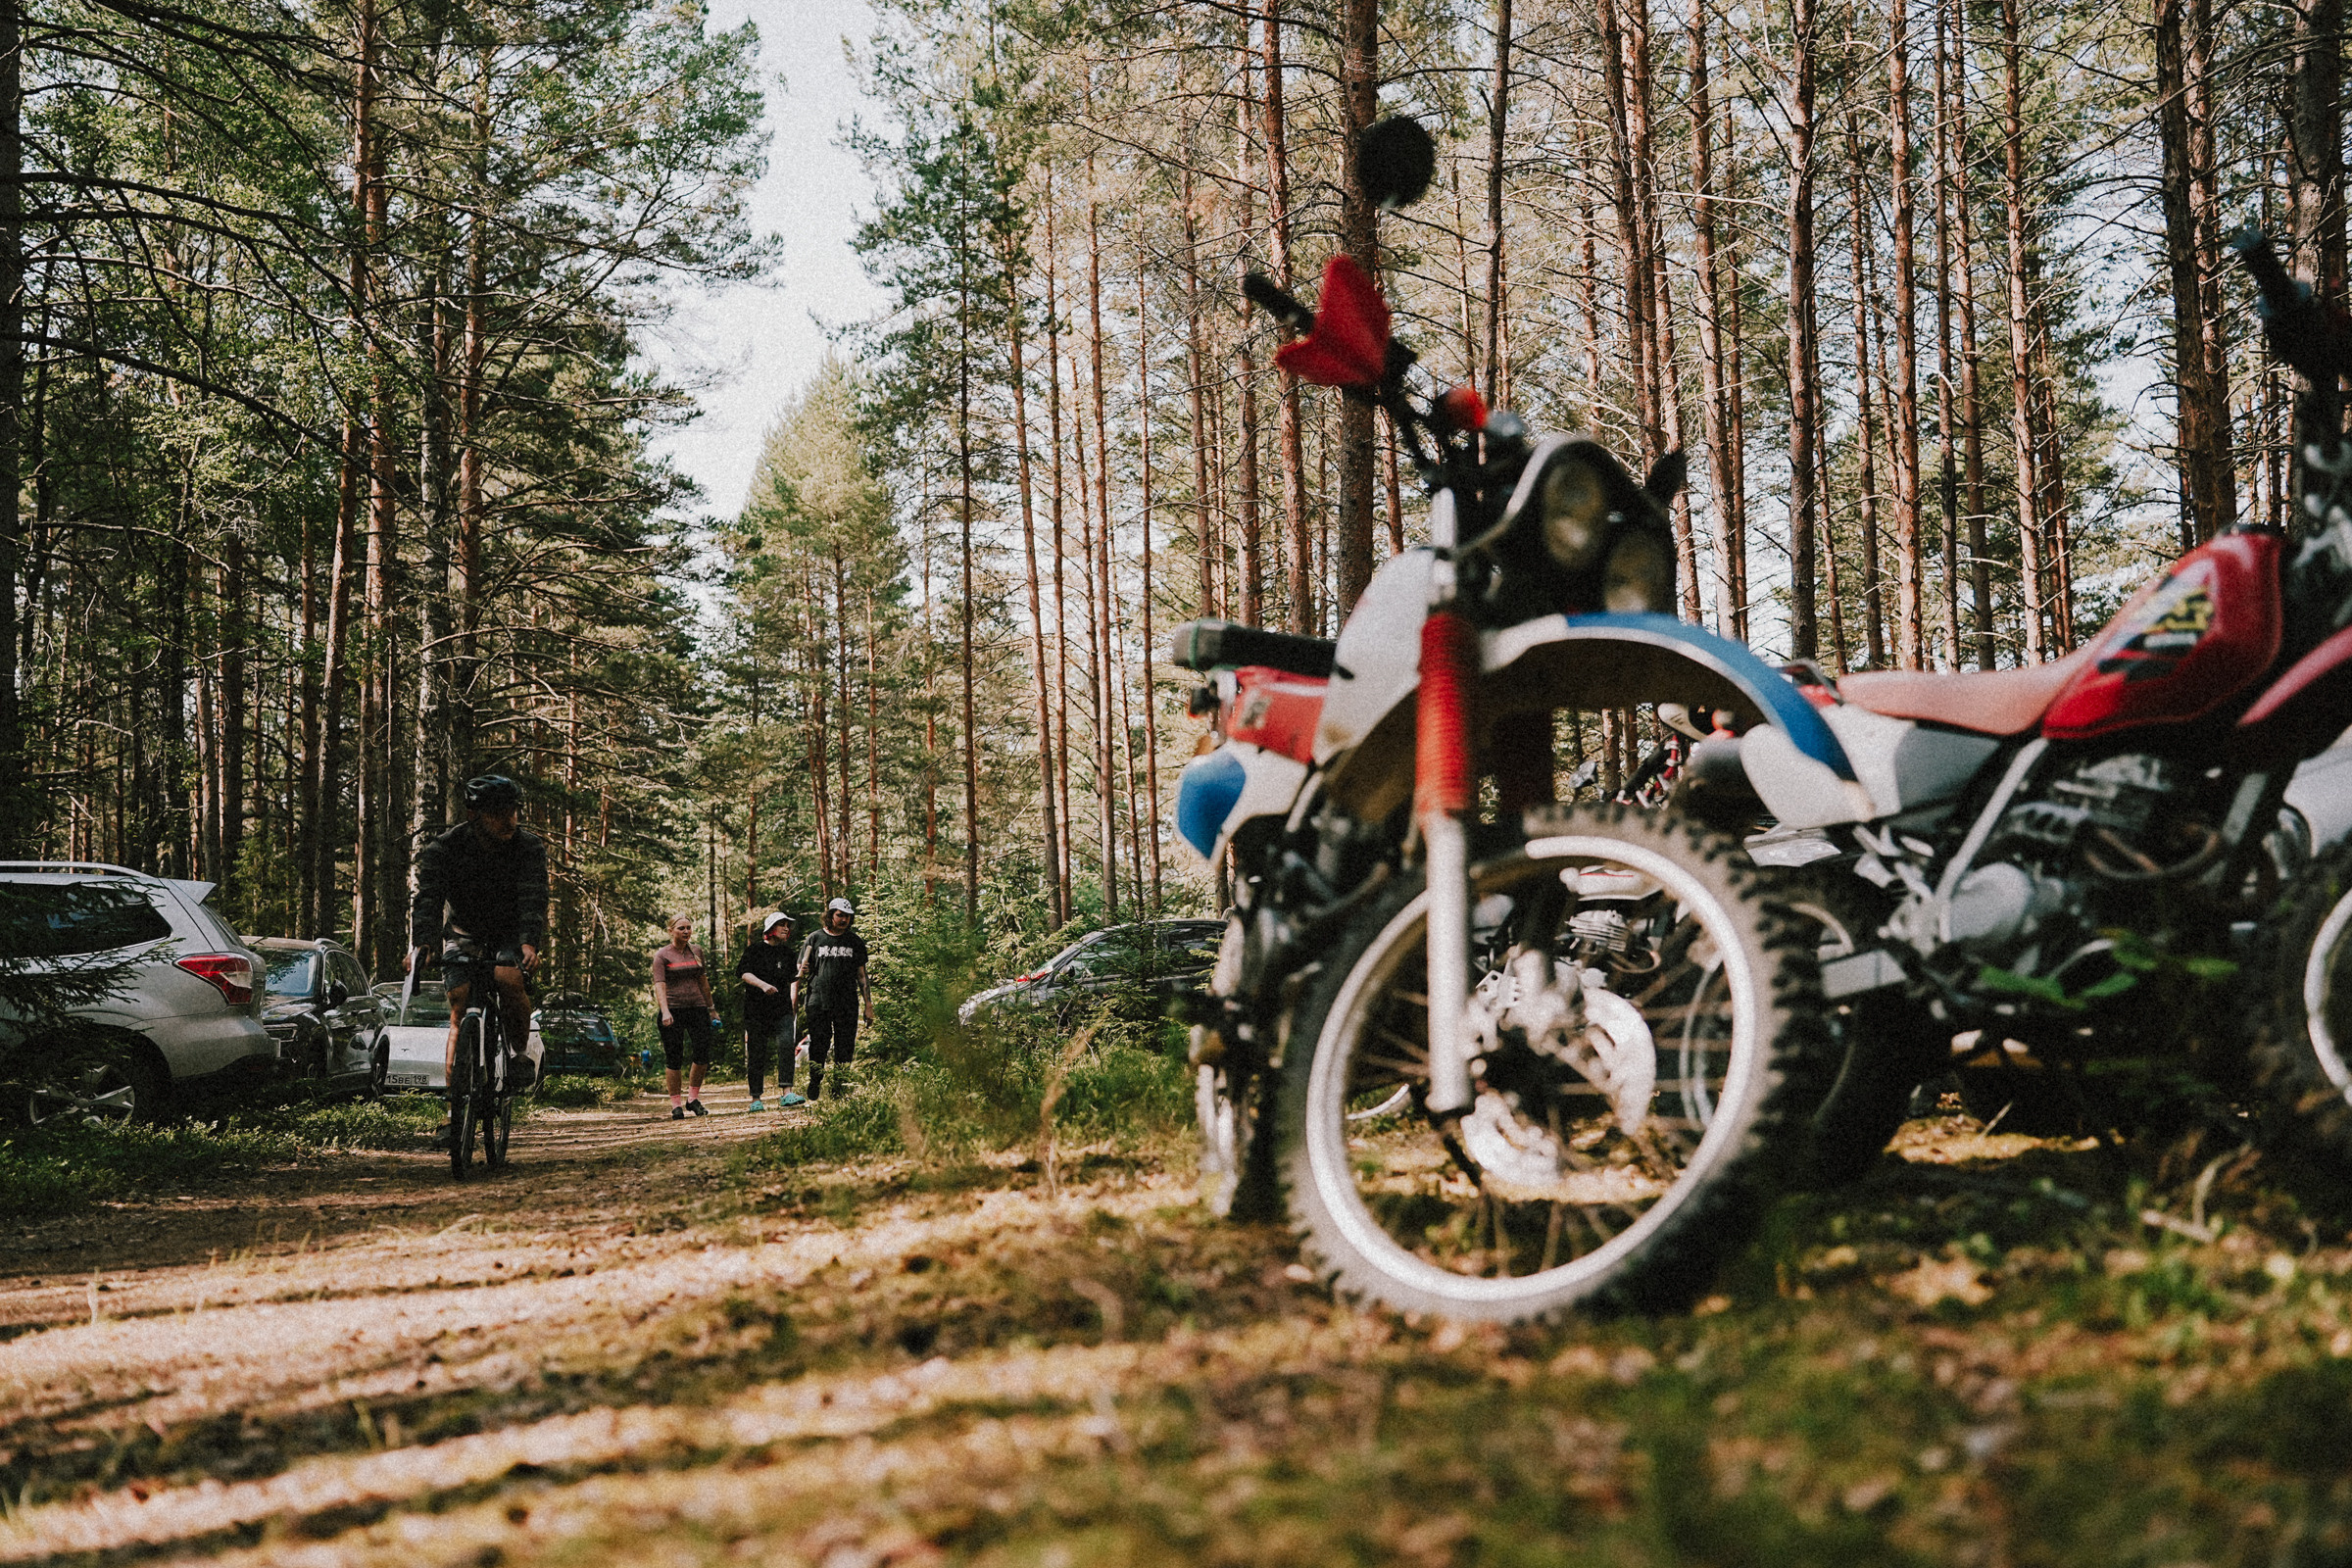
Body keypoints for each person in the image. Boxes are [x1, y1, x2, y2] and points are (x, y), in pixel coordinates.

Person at [410, 774, 547, 1147]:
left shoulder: (529, 848)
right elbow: (427, 901)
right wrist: (421, 946)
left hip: (510, 934)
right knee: (459, 1008)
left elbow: (534, 900)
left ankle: (518, 1055)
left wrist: (529, 944)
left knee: (507, 979)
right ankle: (455, 1113)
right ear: (474, 815)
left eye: (514, 811)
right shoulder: (444, 848)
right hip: (463, 933)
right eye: (498, 813)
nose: (509, 820)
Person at [796, 897, 871, 1101]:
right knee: (819, 1043)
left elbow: (862, 975)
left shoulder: (855, 942)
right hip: (818, 1001)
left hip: (847, 1003)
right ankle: (815, 1081)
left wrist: (868, 1005)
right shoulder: (814, 939)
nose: (844, 919)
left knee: (845, 1045)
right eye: (840, 915)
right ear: (830, 915)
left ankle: (839, 1088)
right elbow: (800, 968)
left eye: (847, 916)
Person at [652, 914, 717, 1119]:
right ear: (671, 931)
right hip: (673, 1010)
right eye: (681, 928)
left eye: (689, 928)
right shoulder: (662, 955)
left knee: (702, 1054)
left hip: (697, 1008)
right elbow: (659, 986)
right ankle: (676, 1105)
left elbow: (703, 982)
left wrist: (712, 1008)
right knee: (674, 1057)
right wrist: (665, 1011)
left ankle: (692, 1100)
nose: (686, 931)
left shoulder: (697, 952)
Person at [737, 910, 804, 1110]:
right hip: (756, 1011)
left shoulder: (788, 953)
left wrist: (801, 971)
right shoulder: (754, 950)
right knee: (757, 1052)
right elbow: (743, 973)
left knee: (786, 1046)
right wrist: (763, 985)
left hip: (782, 1010)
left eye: (787, 925)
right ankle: (755, 1099)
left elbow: (793, 977)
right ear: (770, 929)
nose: (786, 928)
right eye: (782, 924)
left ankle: (787, 1093)